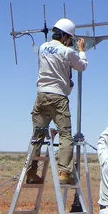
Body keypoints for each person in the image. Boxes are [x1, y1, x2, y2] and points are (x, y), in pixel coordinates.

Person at [26, 18, 87, 185]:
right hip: (58, 97)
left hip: (41, 96)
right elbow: (82, 66)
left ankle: (31, 171)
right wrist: (81, 50)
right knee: (65, 134)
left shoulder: (43, 48)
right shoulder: (68, 52)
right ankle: (64, 172)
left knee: (37, 135)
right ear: (66, 37)